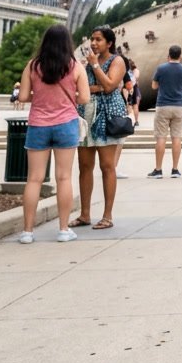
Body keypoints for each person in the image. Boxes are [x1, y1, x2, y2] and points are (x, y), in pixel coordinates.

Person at [16, 24, 90, 244]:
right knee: (64, 177)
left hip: (38, 125)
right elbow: (84, 98)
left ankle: (27, 232)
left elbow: (21, 97)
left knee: (34, 179)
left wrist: (40, 97)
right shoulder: (75, 67)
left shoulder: (33, 66)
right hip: (66, 124)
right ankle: (64, 229)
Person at [72, 26, 128, 228]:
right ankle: (84, 214)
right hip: (87, 115)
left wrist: (95, 67)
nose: (93, 43)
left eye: (98, 40)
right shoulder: (86, 62)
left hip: (108, 116)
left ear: (109, 43)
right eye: (92, 39)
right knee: (84, 166)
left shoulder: (117, 61)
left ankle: (107, 216)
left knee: (107, 166)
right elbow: (82, 87)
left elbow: (111, 85)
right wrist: (96, 86)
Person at [148, 45, 182, 178]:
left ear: (169, 55)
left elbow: (154, 86)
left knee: (161, 138)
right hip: (179, 106)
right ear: (180, 55)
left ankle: (158, 169)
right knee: (176, 138)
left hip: (163, 105)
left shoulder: (161, 68)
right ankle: (175, 169)